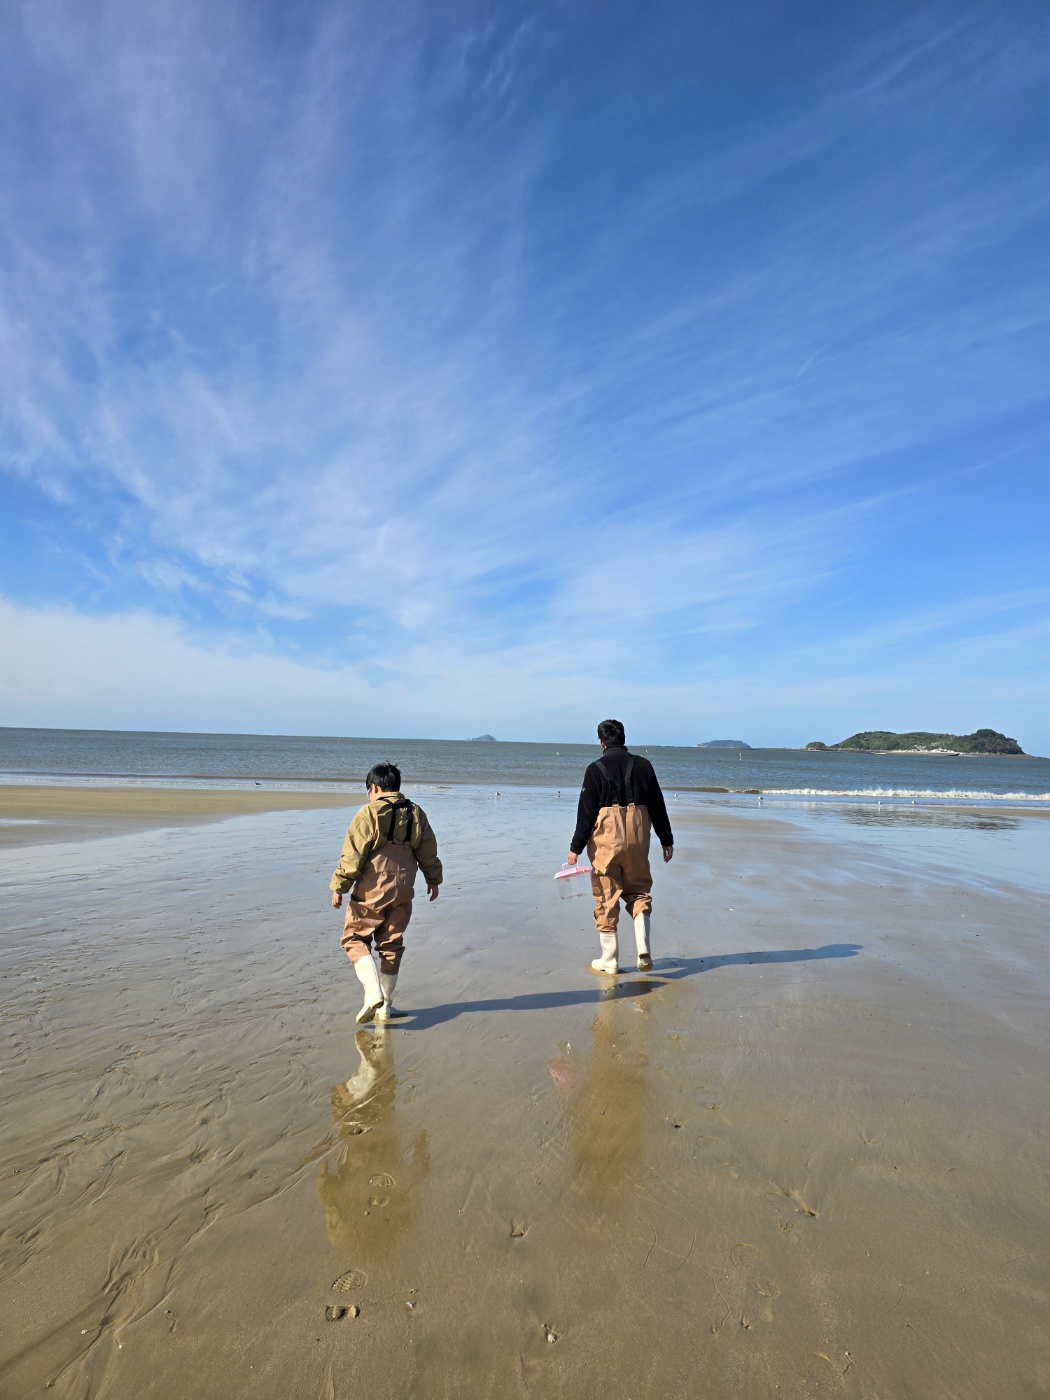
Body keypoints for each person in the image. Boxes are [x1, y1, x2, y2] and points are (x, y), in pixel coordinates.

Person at [330, 762, 442, 1023]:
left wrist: (339, 886)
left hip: (374, 883)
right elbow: (428, 849)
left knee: (354, 937)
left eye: (368, 790)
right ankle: (385, 1007)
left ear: (375, 788)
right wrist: (433, 879)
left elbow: (353, 855)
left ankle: (372, 994)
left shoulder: (368, 813)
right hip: (404, 883)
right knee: (391, 944)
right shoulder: (416, 812)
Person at [566, 719, 673, 974]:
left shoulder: (594, 769)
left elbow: (586, 814)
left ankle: (610, 958)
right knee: (638, 891)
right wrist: (666, 839)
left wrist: (575, 848)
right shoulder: (644, 766)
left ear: (601, 742)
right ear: (623, 738)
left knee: (606, 894)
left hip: (606, 840)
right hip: (637, 837)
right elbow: (658, 804)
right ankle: (643, 948)